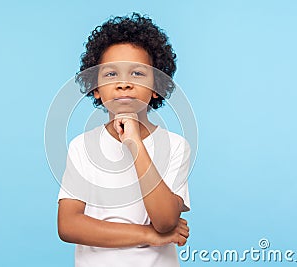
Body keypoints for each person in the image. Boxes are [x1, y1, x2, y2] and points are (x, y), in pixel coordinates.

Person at [57, 13, 191, 267]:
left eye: (138, 73)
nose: (124, 84)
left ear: (155, 88)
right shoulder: (81, 147)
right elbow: (68, 225)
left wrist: (135, 144)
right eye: (110, 74)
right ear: (95, 87)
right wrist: (148, 235)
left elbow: (165, 221)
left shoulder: (175, 146)